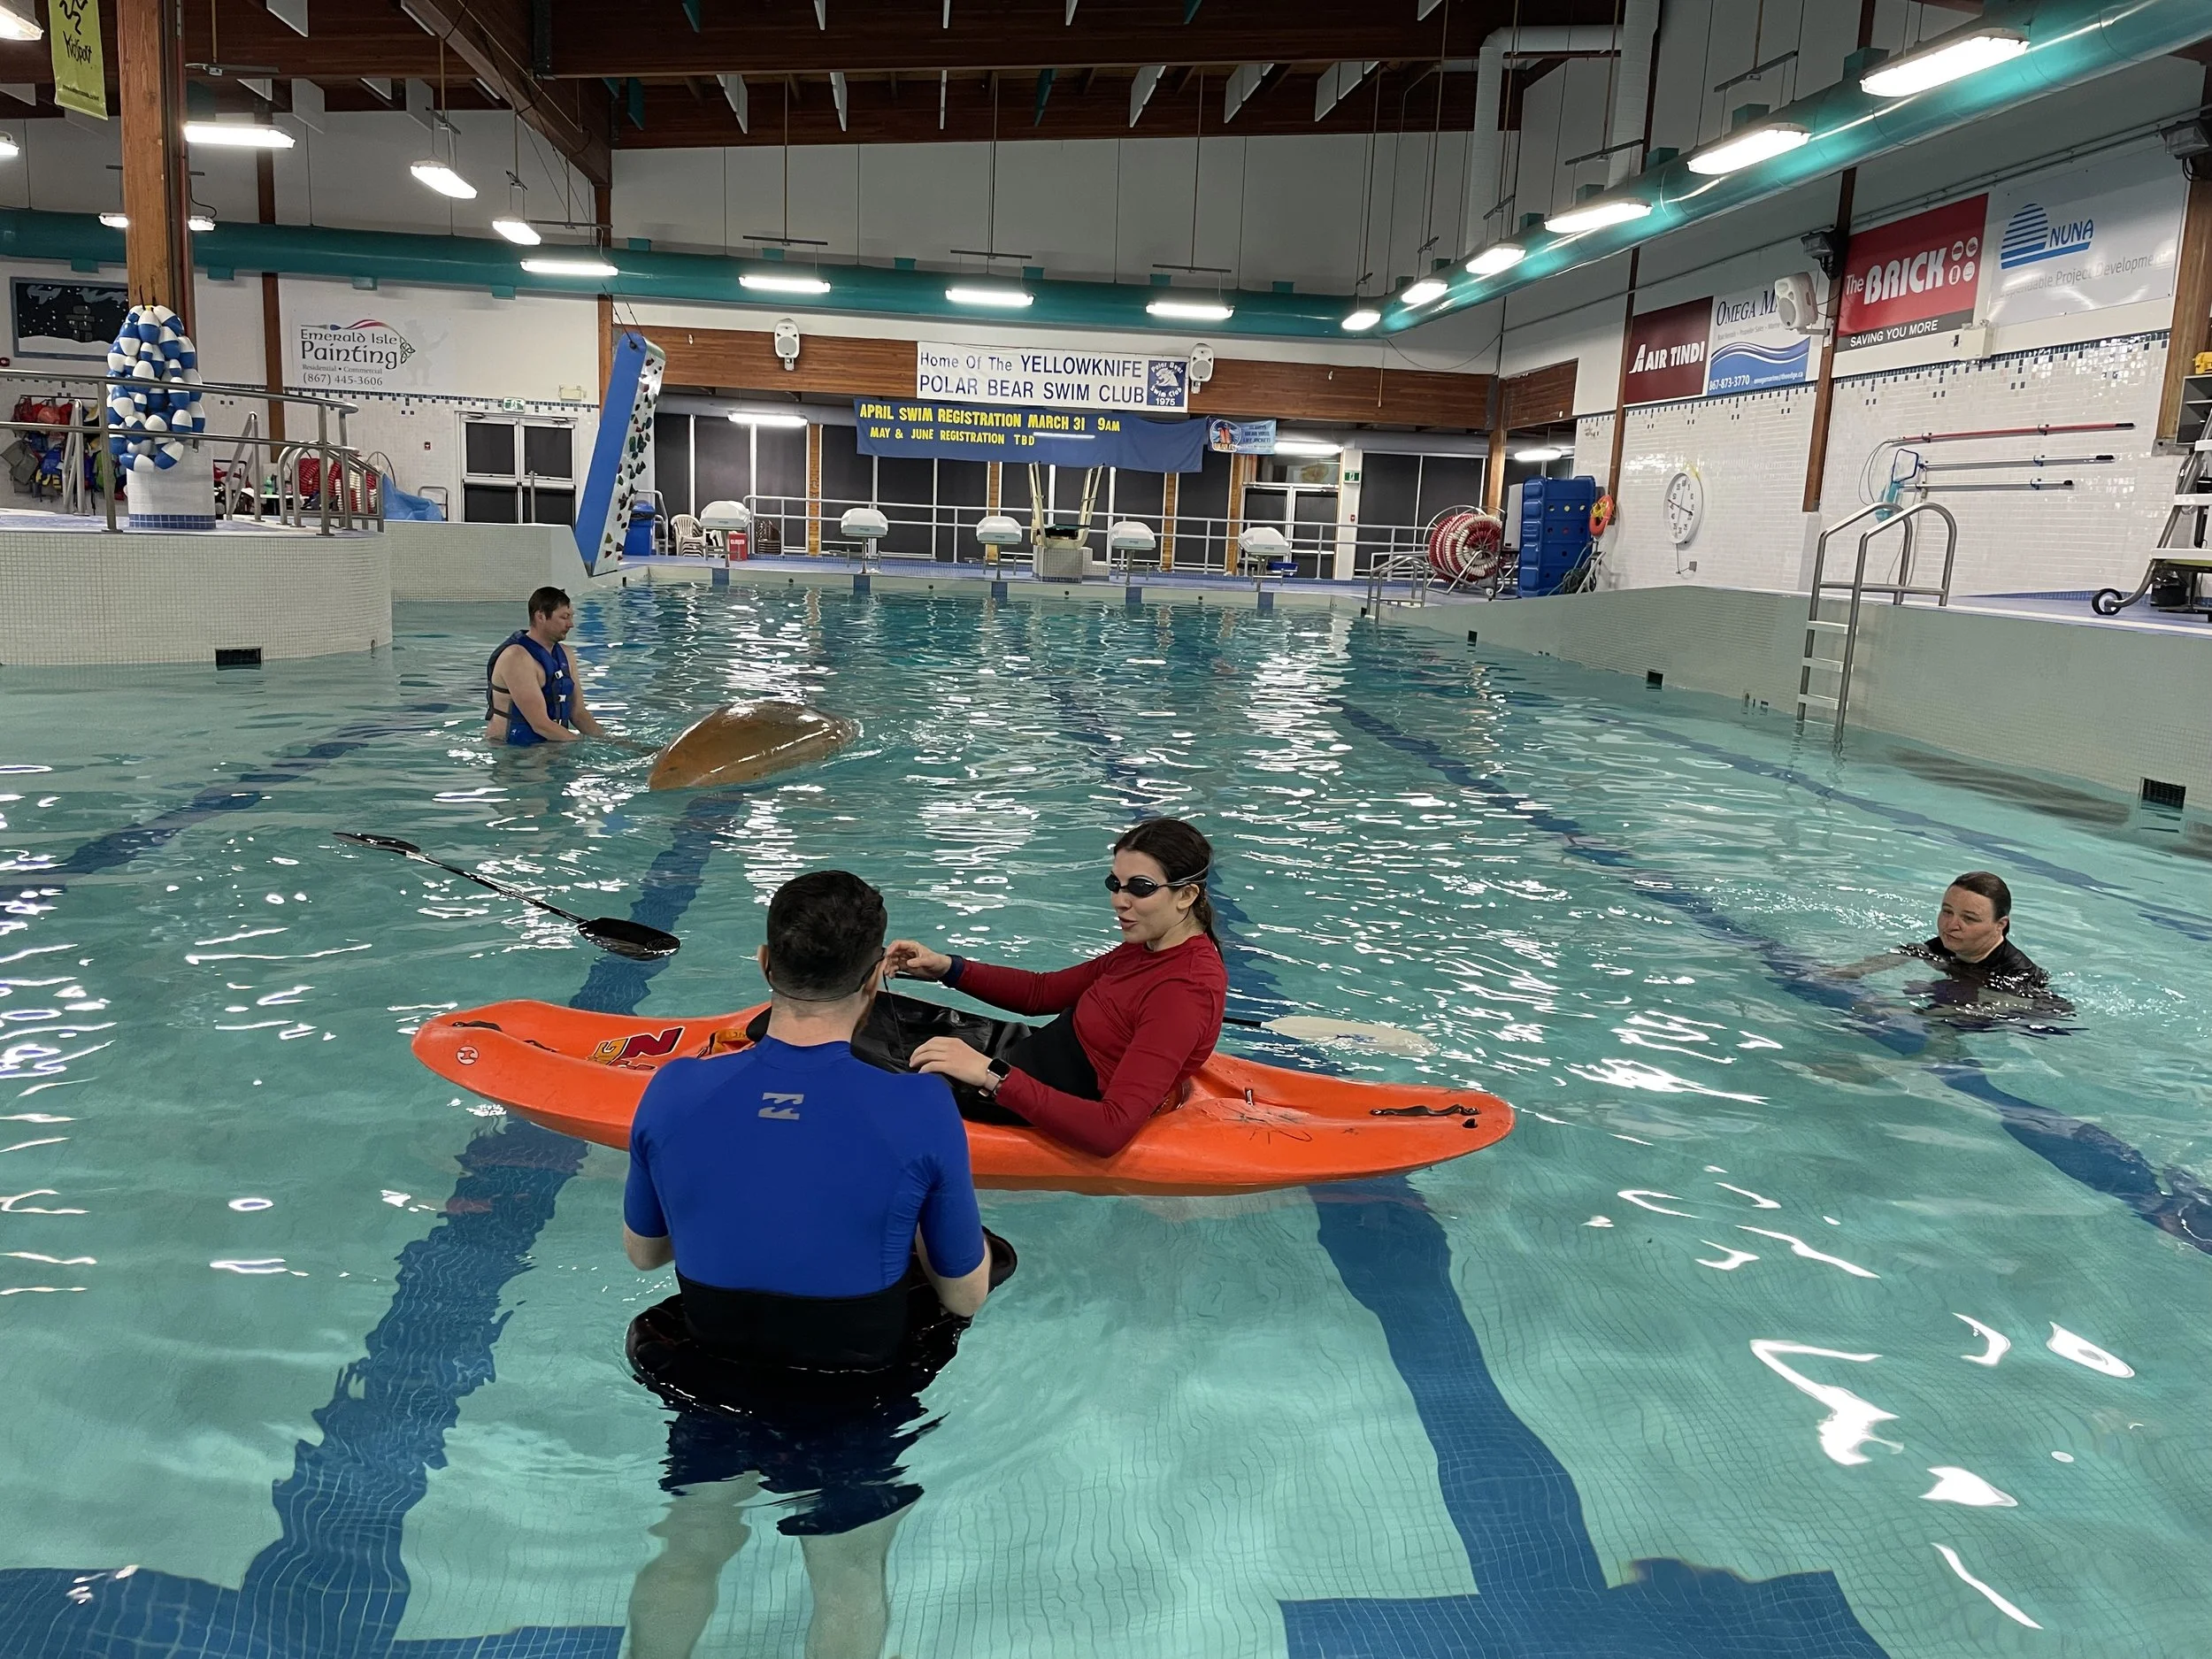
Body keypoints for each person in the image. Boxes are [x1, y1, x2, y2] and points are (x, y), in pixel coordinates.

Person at [620, 870, 994, 1659]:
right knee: (847, 1576)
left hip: (712, 1367)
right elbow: (964, 1297)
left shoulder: (673, 1087)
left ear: (763, 963)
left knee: (688, 1545)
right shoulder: (919, 1103)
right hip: (852, 1387)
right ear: (877, 975)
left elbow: (645, 1253)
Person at [886, 817, 1228, 1158]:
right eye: (1115, 883)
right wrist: (947, 967)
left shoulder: (1183, 991)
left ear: (1186, 895)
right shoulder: (1149, 945)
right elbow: (1043, 992)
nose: (1119, 901)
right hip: (1037, 1056)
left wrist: (989, 1075)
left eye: (1139, 888)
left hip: (1053, 1097)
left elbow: (1110, 1130)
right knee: (879, 1020)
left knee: (856, 1074)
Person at [1832, 871, 2067, 1013]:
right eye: (1947, 911)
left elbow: (1982, 1013)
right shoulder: (1947, 945)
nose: (1951, 925)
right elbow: (1906, 953)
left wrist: (1908, 1013)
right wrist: (1844, 972)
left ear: (2000, 925)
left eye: (1969, 919)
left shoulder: (2015, 975)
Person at [485, 587, 603, 746]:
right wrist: (582, 745)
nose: (571, 624)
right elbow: (540, 724)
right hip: (513, 752)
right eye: (564, 617)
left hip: (550, 747)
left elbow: (579, 713)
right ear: (541, 616)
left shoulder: (566, 655)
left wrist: (610, 742)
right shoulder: (516, 658)